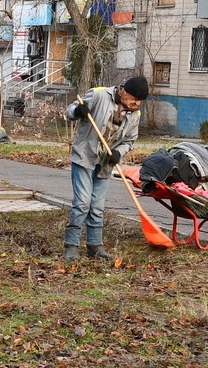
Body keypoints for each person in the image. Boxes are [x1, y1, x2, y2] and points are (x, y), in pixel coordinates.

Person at [63, 75, 148, 261]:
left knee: (97, 206)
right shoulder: (99, 95)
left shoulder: (135, 115)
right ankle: (71, 245)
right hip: (85, 155)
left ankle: (94, 245)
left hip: (105, 163)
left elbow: (129, 140)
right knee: (83, 203)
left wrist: (118, 152)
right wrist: (78, 111)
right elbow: (69, 111)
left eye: (140, 101)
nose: (137, 104)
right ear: (124, 90)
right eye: (134, 99)